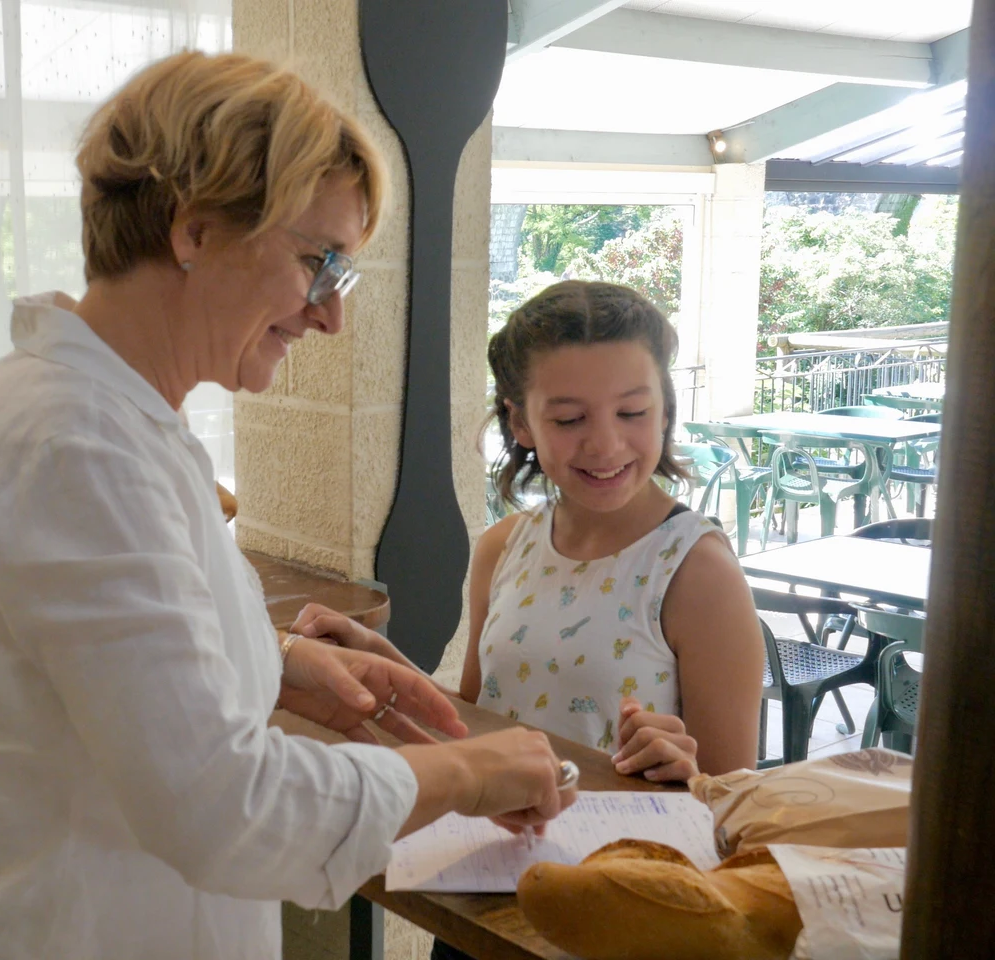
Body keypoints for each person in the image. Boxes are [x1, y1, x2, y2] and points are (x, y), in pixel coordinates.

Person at [0, 52, 576, 960]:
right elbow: (219, 807)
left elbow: (103, 662)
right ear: (195, 231)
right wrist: (463, 770)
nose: (330, 315)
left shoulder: (110, 416)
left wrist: (279, 663)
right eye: (317, 261)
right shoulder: (76, 443)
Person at [296, 281, 766, 960]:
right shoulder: (504, 546)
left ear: (665, 408)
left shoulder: (696, 570)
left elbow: (733, 806)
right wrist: (375, 654)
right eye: (570, 419)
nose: (606, 445)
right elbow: (481, 718)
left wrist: (682, 768)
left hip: (616, 915)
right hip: (485, 895)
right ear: (519, 422)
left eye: (633, 411)